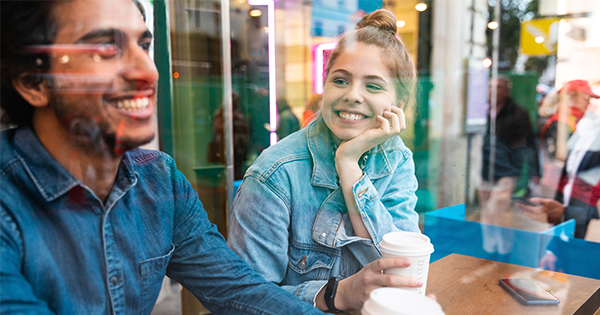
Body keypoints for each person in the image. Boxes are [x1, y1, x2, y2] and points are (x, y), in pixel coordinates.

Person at [0, 1, 324, 314]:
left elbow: (236, 289)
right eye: (105, 49)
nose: (147, 72)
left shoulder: (158, 179)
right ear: (34, 82)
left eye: (143, 46)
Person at [228, 9, 422, 312]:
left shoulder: (396, 158)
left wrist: (349, 165)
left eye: (373, 85)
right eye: (341, 80)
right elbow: (246, 301)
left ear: (399, 103)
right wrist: (335, 294)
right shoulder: (273, 174)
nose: (352, 95)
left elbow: (402, 267)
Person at [477, 75, 540, 256]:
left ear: (506, 90)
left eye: (496, 87)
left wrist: (535, 171)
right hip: (485, 168)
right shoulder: (482, 110)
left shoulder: (519, 113)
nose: (491, 91)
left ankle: (505, 248)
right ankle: (489, 247)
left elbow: (529, 143)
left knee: (497, 206)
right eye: (489, 87)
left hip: (508, 169)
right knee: (486, 208)